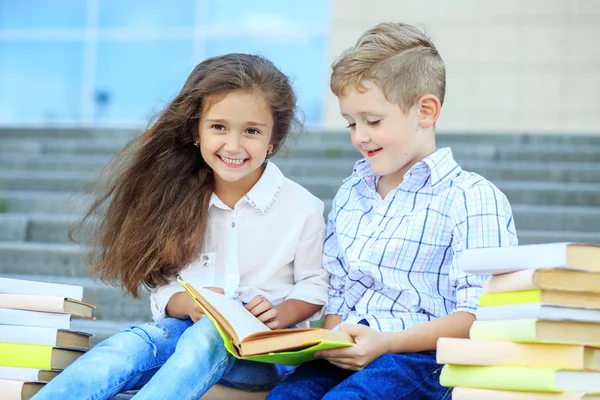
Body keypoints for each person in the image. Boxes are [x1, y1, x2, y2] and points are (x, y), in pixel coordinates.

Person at [34, 53, 329, 400]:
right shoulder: (178, 199)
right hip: (183, 335)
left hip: (264, 352)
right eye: (219, 127)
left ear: (273, 140)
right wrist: (190, 306)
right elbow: (162, 288)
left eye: (251, 131)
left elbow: (315, 285)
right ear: (196, 132)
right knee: (128, 346)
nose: (233, 145)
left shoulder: (301, 207)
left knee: (206, 337)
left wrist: (281, 313)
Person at [267, 22, 519, 400]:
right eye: (351, 123)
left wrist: (387, 342)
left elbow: (479, 315)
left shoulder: (471, 197)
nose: (359, 136)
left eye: (372, 121)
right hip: (349, 353)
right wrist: (333, 338)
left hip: (422, 358)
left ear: (426, 110)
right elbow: (338, 292)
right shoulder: (353, 192)